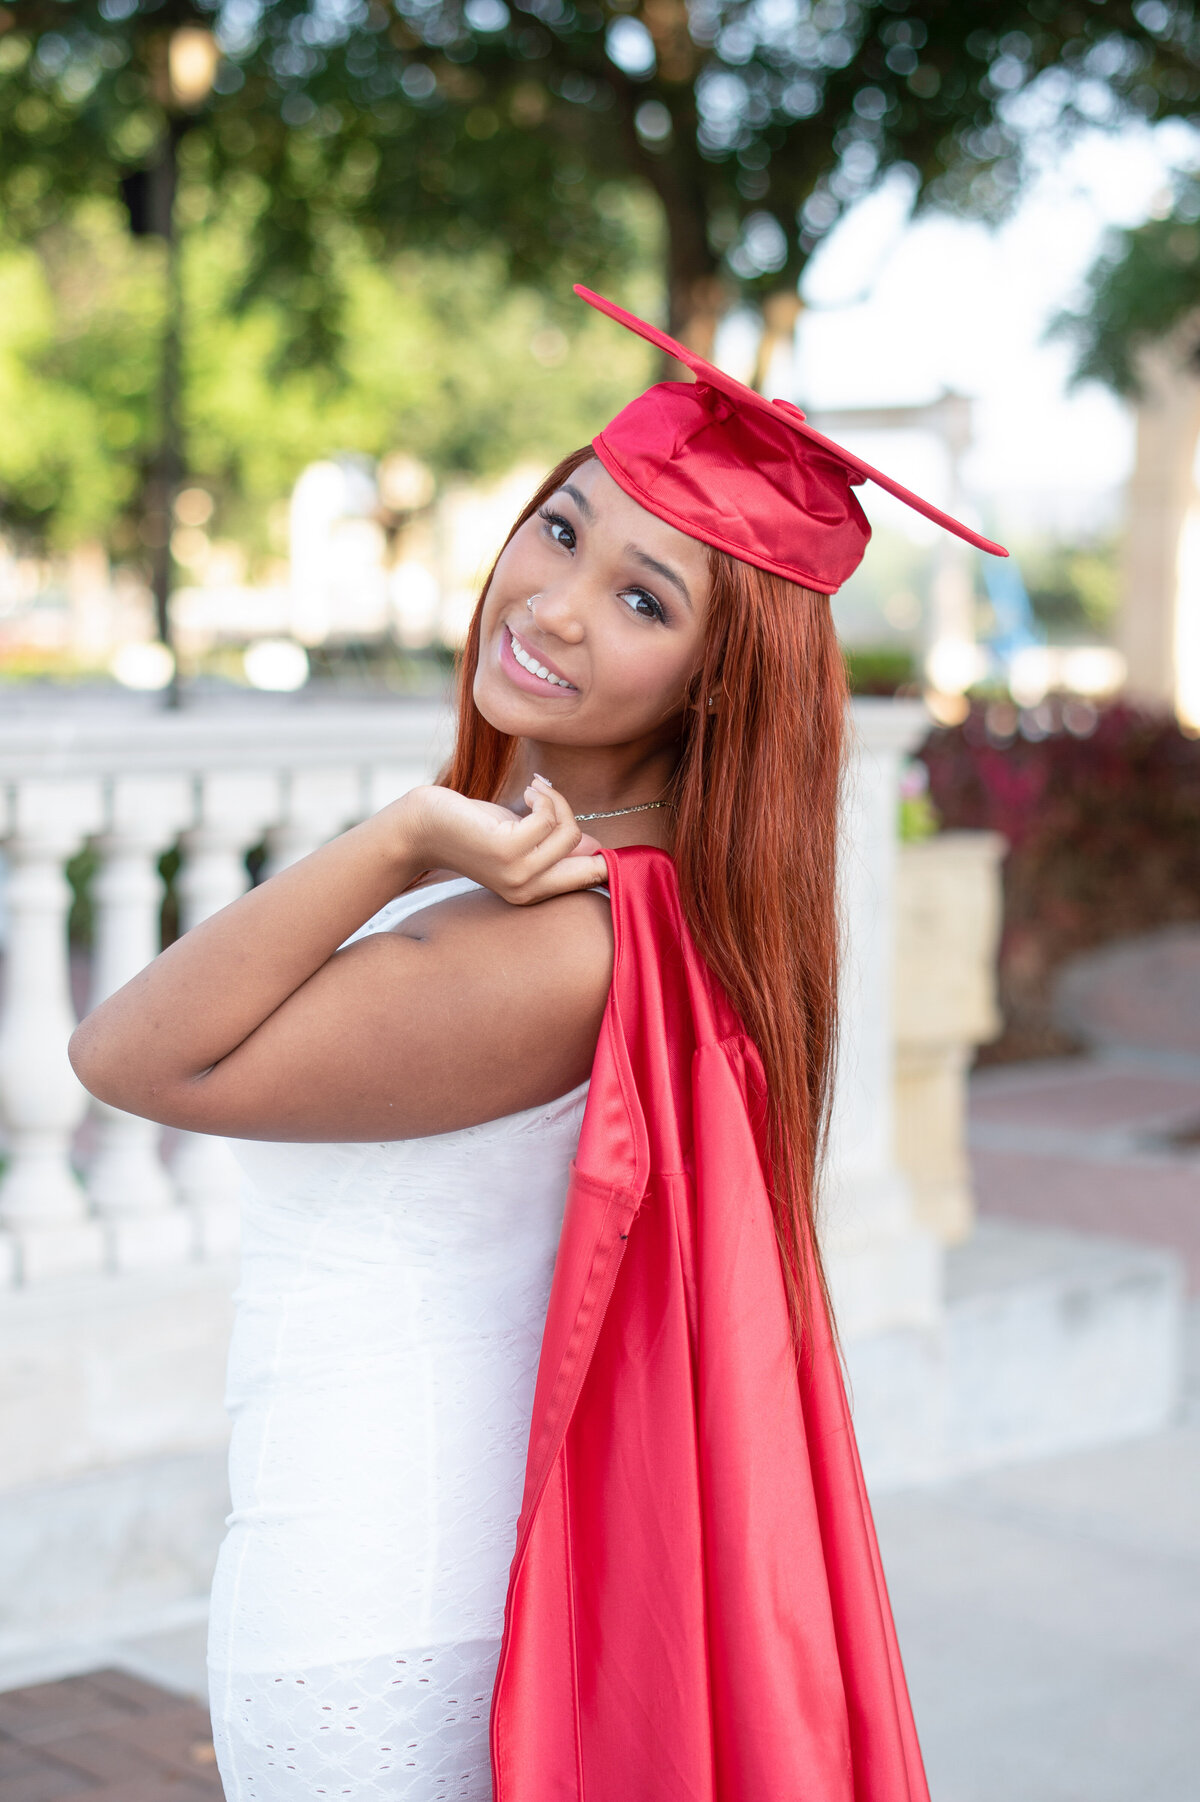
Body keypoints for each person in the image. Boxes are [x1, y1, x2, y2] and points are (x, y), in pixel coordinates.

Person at [69, 286, 1005, 1802]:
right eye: (562, 528)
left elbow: (126, 1056)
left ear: (716, 681)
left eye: (646, 599)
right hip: (395, 1580)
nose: (555, 599)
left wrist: (396, 838)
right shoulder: (649, 911)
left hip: (368, 1612)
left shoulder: (538, 947)